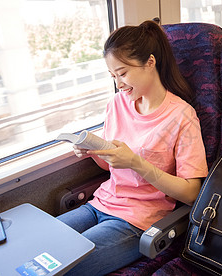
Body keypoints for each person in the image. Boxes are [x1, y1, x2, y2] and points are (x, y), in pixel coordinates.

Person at [57, 20, 208, 276]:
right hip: (100, 204)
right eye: (113, 76)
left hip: (137, 221)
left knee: (61, 266)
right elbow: (110, 166)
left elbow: (192, 193)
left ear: (150, 62)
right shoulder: (117, 104)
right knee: (37, 246)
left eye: (123, 73)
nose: (118, 84)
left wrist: (136, 162)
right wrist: (92, 150)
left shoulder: (182, 116)